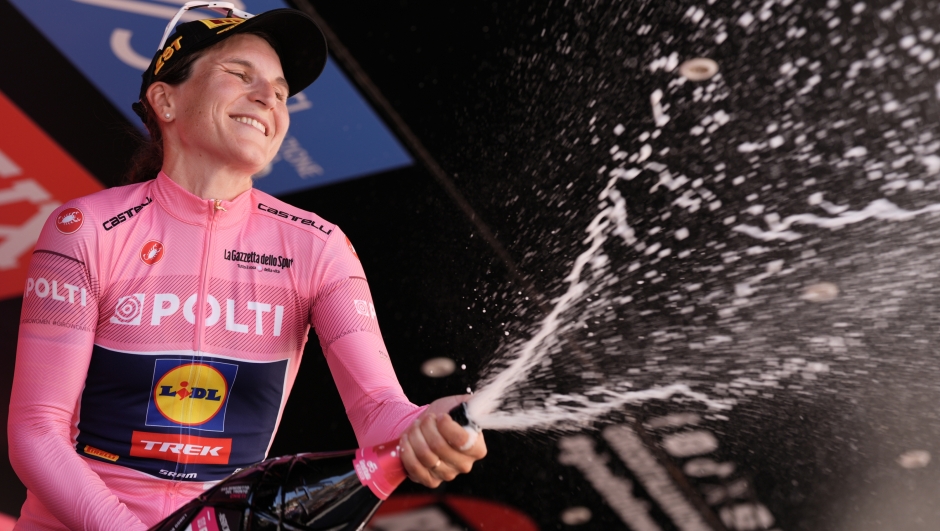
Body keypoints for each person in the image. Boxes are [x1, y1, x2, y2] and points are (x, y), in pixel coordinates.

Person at [8, 5, 485, 530]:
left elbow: (377, 408)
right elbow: (36, 430)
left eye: (281, 92)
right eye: (239, 75)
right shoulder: (88, 228)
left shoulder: (319, 246)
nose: (268, 99)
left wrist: (426, 423)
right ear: (165, 99)